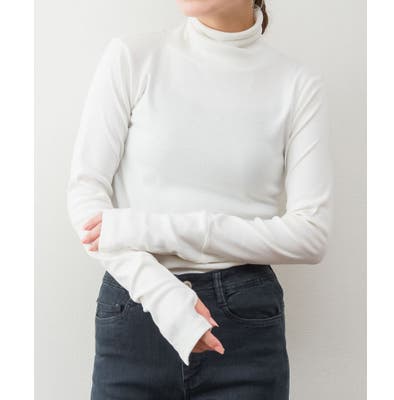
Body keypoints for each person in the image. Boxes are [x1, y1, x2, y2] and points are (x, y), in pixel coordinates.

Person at [66, 0, 334, 398]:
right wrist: (162, 295)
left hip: (243, 323)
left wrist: (149, 229)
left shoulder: (297, 84)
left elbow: (311, 236)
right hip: (136, 301)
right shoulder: (132, 57)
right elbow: (87, 201)